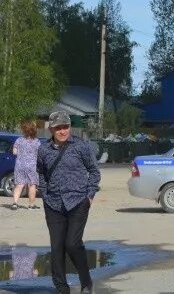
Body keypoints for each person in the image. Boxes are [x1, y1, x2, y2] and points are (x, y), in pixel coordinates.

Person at [36, 110, 100, 294]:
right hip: (53, 204)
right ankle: (62, 288)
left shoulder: (82, 147)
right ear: (51, 129)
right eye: (58, 128)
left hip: (78, 201)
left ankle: (86, 281)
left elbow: (94, 172)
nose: (63, 131)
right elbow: (41, 172)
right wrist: (45, 194)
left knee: (72, 243)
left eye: (66, 127)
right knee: (56, 247)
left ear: (70, 127)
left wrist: (89, 195)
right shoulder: (44, 149)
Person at [10, 119, 41, 210]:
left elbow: (14, 152)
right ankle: (31, 205)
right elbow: (39, 154)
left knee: (19, 184)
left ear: (24, 130)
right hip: (32, 166)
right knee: (32, 185)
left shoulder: (19, 140)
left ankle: (15, 203)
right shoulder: (37, 142)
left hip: (20, 165)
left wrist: (22, 153)